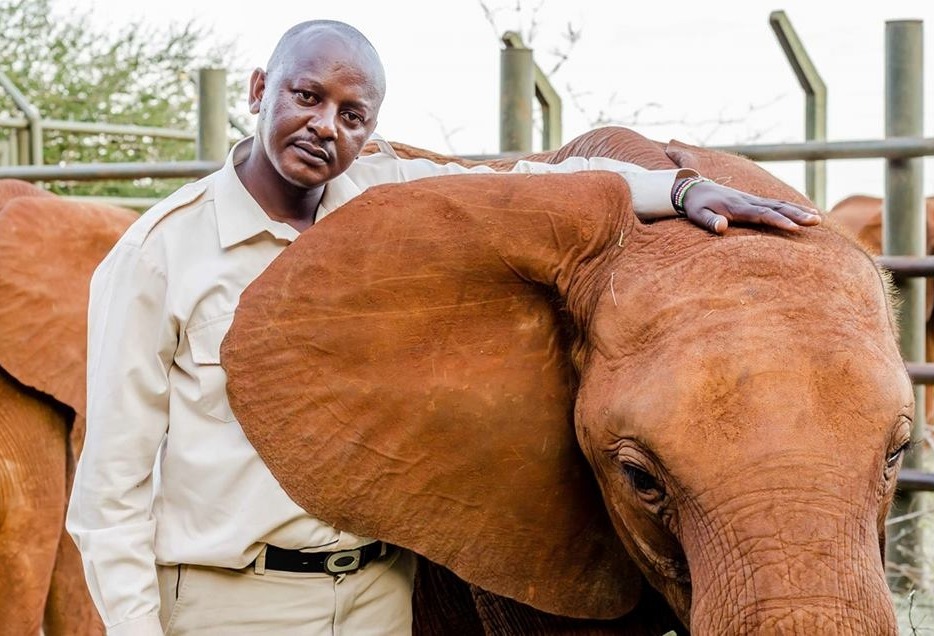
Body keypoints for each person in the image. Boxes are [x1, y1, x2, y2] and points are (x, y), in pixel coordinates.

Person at [66, 19, 821, 636]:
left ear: (369, 131)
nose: (324, 126)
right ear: (261, 91)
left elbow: (532, 191)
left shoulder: (382, 197)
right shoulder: (159, 253)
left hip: (380, 598)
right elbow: (111, 492)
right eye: (306, 96)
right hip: (233, 603)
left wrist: (680, 188)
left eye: (351, 115)